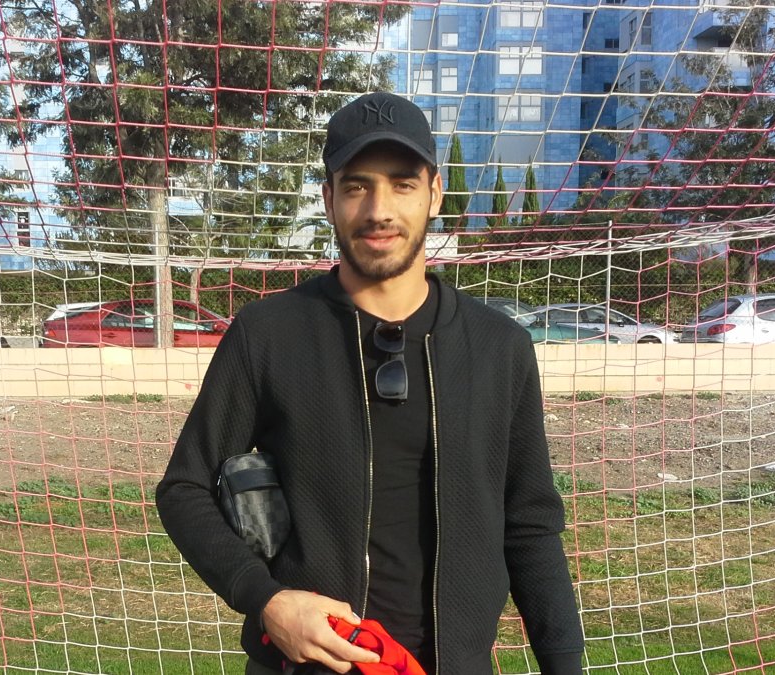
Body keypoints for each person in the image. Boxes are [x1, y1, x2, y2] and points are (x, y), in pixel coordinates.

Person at [155, 91, 584, 674]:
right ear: (330, 199)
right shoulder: (269, 333)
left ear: (435, 193)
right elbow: (185, 489)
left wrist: (565, 664)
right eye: (357, 185)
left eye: (402, 183)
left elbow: (530, 526)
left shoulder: (498, 347)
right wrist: (267, 601)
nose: (379, 209)